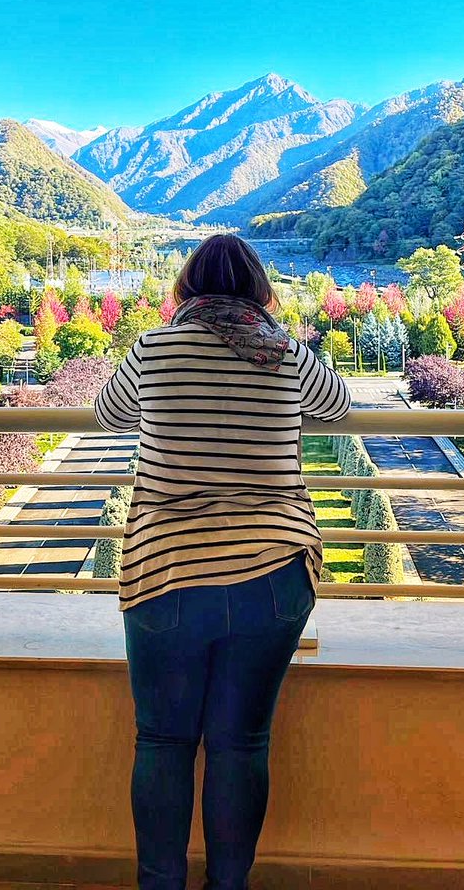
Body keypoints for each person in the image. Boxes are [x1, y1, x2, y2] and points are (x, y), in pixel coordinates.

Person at [94, 234, 350, 890]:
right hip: (273, 574)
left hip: (167, 573)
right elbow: (338, 405)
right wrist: (276, 343)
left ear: (184, 290)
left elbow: (108, 414)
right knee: (240, 744)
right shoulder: (286, 355)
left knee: (162, 742)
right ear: (260, 292)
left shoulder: (153, 348)